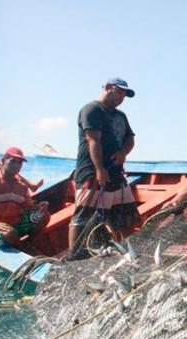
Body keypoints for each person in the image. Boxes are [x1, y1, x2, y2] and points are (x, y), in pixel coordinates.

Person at [68, 78, 141, 255]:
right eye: (119, 92)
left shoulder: (120, 116)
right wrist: (99, 169)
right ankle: (74, 257)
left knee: (127, 218)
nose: (122, 97)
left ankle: (131, 254)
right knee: (83, 218)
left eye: (125, 94)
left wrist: (123, 152)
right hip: (92, 174)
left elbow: (130, 138)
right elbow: (93, 140)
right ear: (108, 88)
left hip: (116, 175)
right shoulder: (92, 109)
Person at [0, 147, 49, 248]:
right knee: (9, 234)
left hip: (16, 223)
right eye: (12, 161)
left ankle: (28, 243)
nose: (16, 165)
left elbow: (28, 206)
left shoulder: (22, 187)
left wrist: (39, 207)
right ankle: (22, 248)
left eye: (19, 163)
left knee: (44, 215)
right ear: (3, 161)